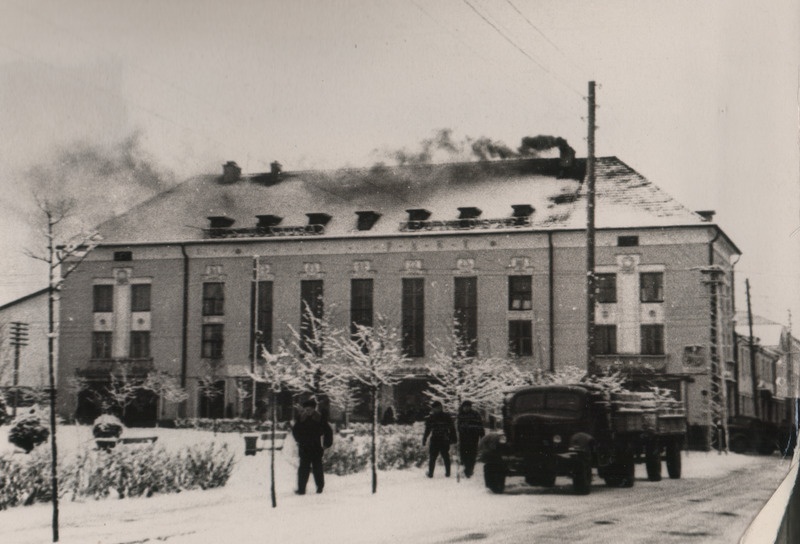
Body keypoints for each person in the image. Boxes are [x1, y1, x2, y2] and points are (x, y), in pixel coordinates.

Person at [291, 398, 333, 494]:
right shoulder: (301, 419)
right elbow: (295, 431)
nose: (308, 411)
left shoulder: (319, 418)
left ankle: (320, 487)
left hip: (316, 447)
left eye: (310, 409)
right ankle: (301, 489)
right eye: (306, 409)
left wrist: (327, 444)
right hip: (304, 447)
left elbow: (328, 431)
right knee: (303, 469)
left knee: (317, 468)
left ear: (314, 409)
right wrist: (299, 439)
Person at [422, 400, 456, 478]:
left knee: (445, 456)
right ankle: (431, 473)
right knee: (433, 457)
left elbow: (452, 428)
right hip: (435, 439)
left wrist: (453, 438)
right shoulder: (431, 418)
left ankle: (448, 473)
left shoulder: (446, 417)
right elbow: (428, 429)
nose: (436, 409)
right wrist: (424, 438)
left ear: (441, 408)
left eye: (438, 408)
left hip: (444, 438)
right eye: (435, 408)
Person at [457, 400, 485, 478]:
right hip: (463, 438)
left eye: (468, 407)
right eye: (465, 407)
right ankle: (467, 469)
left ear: (470, 407)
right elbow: (458, 426)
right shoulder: (460, 415)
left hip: (473, 438)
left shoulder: (475, 414)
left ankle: (469, 470)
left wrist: (482, 436)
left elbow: (480, 426)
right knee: (464, 455)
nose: (466, 408)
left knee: (472, 455)